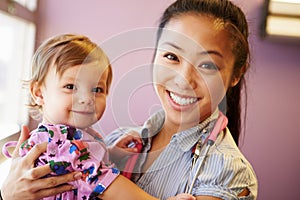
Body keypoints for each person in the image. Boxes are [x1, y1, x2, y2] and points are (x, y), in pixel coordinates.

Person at [1, 0, 258, 199]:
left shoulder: (227, 173)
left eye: (207, 65)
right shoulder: (123, 140)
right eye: (171, 57)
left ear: (236, 74)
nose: (183, 79)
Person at [1, 33, 194, 200]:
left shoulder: (74, 136)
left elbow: (81, 164)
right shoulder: (56, 142)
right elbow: (106, 184)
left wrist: (109, 153)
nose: (86, 99)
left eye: (97, 89)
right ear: (39, 92)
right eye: (70, 87)